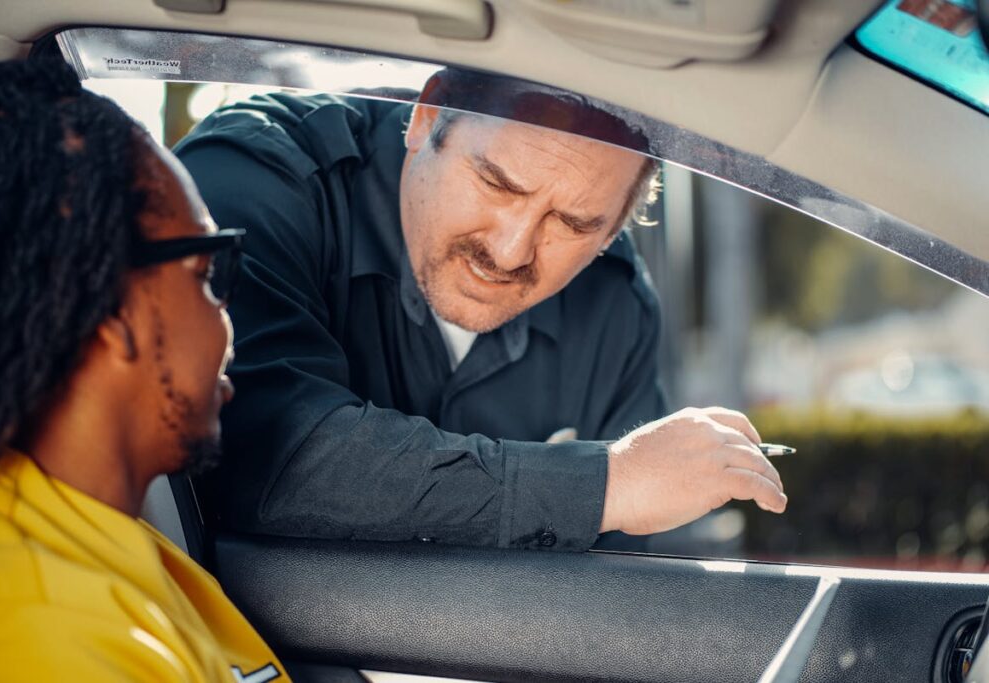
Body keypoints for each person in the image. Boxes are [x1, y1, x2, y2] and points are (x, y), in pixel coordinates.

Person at [175, 68, 787, 552]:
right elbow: (273, 458)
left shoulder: (616, 307)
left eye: (573, 224)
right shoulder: (256, 179)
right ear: (427, 116)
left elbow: (614, 596)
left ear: (614, 229)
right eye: (497, 182)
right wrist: (604, 482)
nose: (510, 248)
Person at [0, 59, 286, 682]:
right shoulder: (47, 641)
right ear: (112, 307)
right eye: (204, 276)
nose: (225, 318)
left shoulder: (99, 531)